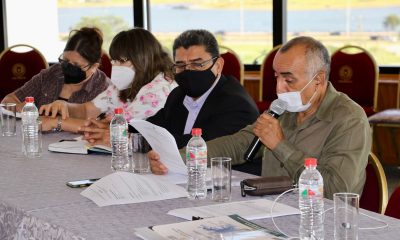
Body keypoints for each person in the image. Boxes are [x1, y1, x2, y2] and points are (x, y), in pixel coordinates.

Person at [149, 36, 372, 200]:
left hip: (318, 218)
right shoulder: (283, 108)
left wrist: (280, 145)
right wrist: (175, 158)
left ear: (319, 79)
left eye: (289, 80)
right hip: (270, 209)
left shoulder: (349, 119)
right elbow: (237, 144)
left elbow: (335, 189)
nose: (279, 89)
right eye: (276, 77)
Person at [39, 28, 177, 133]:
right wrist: (64, 105)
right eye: (114, 61)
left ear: (143, 59)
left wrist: (56, 122)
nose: (116, 67)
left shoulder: (159, 90)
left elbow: (115, 131)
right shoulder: (126, 84)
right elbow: (88, 110)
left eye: (122, 61)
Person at [144, 29, 259, 149]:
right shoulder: (178, 94)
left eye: (198, 64)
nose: (189, 71)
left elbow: (203, 146)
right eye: (181, 65)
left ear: (218, 65)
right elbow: (151, 127)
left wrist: (156, 141)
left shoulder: (236, 104)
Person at [1, 27, 109, 112]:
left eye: (76, 65)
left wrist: (53, 122)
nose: (68, 67)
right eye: (66, 60)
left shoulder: (103, 87)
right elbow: (8, 100)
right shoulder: (53, 73)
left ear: (94, 66)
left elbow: (96, 125)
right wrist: (19, 108)